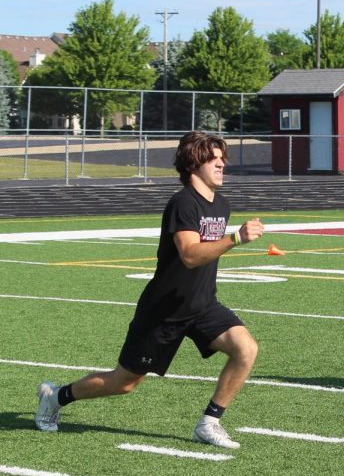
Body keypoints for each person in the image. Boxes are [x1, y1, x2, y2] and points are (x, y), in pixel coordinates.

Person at [35, 131, 264, 448]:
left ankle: (209, 422)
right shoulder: (182, 204)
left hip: (202, 305)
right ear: (194, 163)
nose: (222, 163)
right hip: (164, 311)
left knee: (246, 349)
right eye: (214, 158)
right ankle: (56, 396)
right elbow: (189, 254)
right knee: (124, 382)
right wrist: (235, 239)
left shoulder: (221, 204)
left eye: (223, 158)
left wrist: (231, 241)